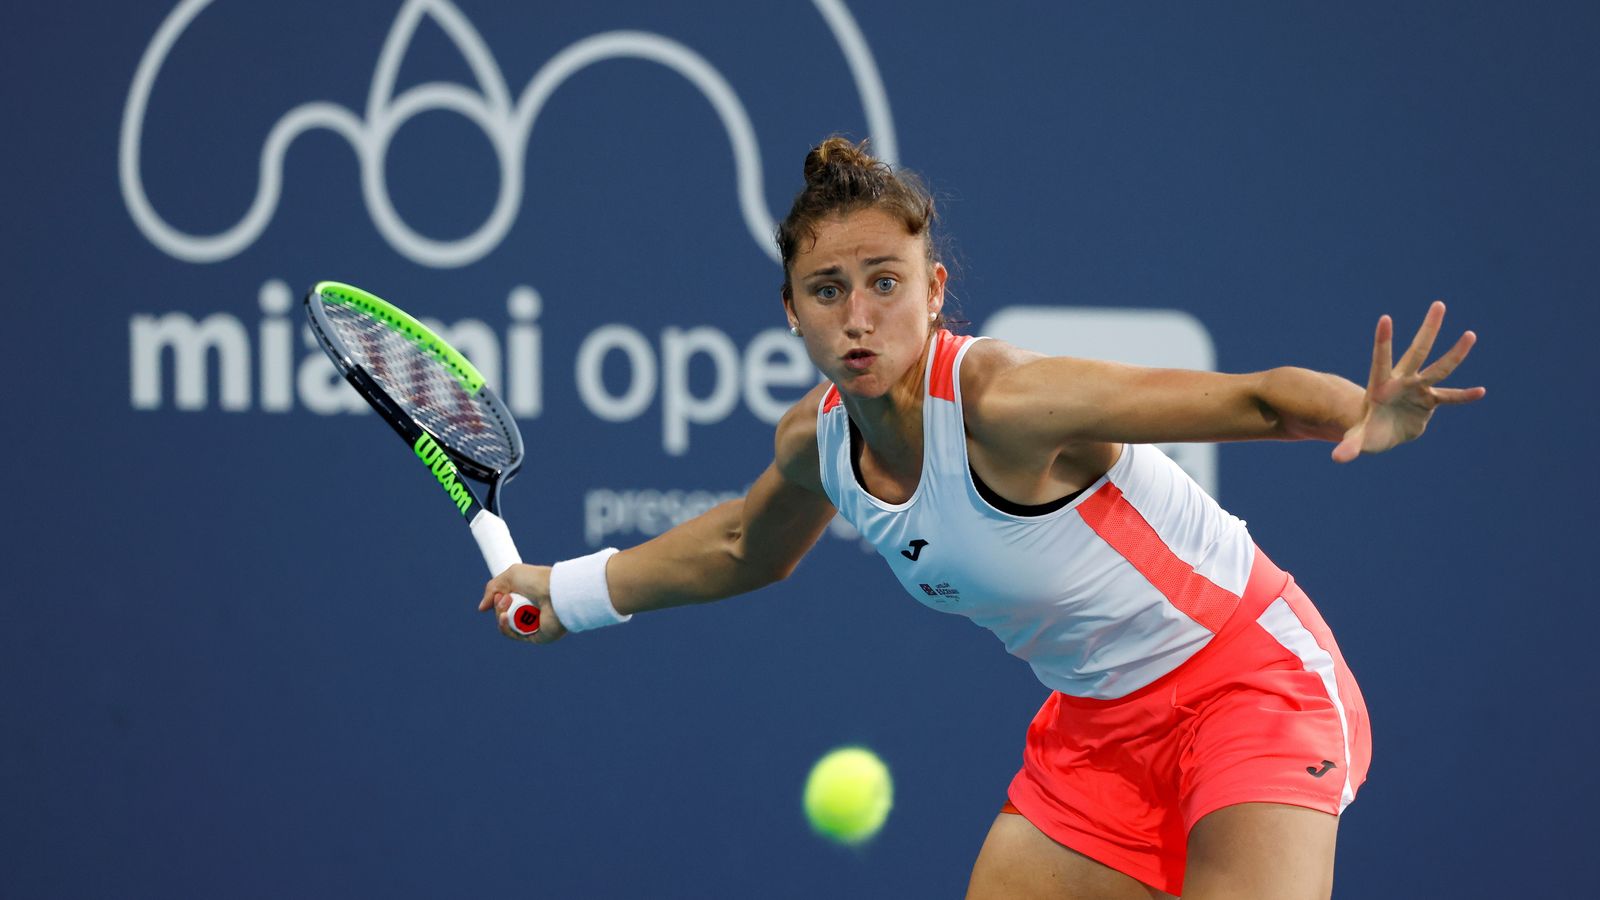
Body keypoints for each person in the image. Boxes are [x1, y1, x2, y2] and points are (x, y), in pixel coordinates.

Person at [477, 137, 1484, 899]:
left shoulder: (1005, 401)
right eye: (828, 291)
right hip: (1096, 728)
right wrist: (568, 594)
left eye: (885, 283)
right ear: (791, 309)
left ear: (934, 291)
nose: (858, 316)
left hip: (1250, 683)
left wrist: (1359, 410)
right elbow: (744, 543)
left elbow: (1255, 400)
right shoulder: (816, 443)